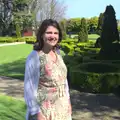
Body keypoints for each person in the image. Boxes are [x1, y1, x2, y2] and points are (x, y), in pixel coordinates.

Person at [24, 19, 72, 120]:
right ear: (42, 35)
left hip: (62, 108)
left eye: (56, 33)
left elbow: (64, 81)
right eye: (49, 32)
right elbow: (29, 88)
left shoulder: (58, 54)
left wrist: (68, 101)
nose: (53, 36)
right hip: (45, 111)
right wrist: (36, 112)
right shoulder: (34, 57)